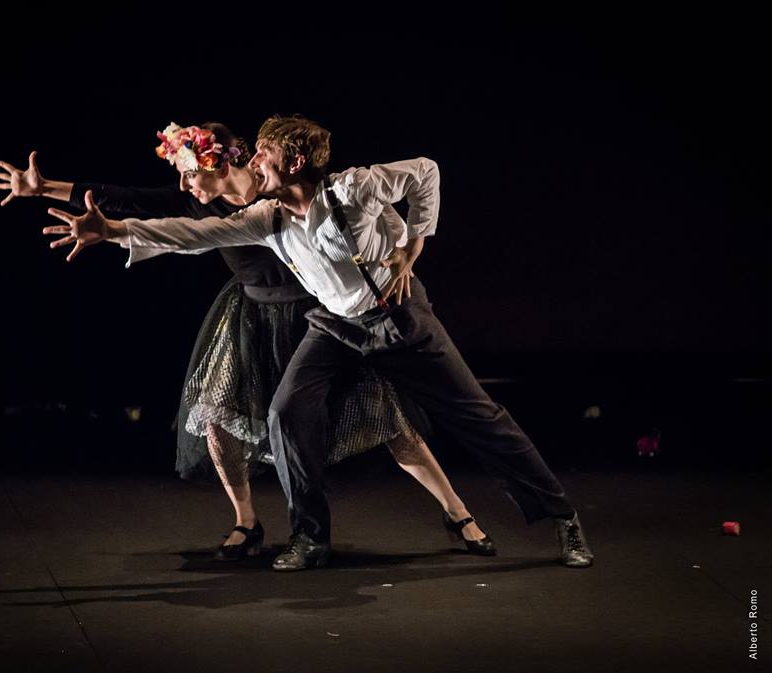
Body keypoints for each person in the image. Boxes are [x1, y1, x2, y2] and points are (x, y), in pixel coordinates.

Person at [42, 115, 595, 571]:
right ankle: (309, 537)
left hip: (398, 318)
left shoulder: (354, 187)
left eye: (261, 155)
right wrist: (114, 232)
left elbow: (425, 172)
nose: (251, 162)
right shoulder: (265, 217)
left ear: (294, 163)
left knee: (479, 416)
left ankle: (563, 519)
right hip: (334, 324)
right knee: (285, 411)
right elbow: (194, 236)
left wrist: (414, 246)